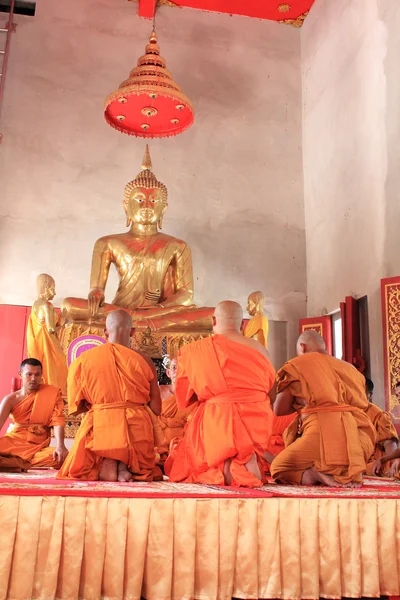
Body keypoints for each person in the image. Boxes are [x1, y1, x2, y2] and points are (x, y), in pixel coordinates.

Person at [167, 301, 275, 488]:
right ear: (243, 324)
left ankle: (229, 466)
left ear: (213, 320)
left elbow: (185, 395)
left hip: (217, 417)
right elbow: (271, 390)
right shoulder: (261, 351)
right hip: (255, 415)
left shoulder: (197, 350)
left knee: (192, 462)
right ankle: (242, 462)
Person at [57, 310, 163, 482]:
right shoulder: (145, 361)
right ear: (132, 331)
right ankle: (125, 464)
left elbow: (77, 406)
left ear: (105, 331)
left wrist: (103, 405)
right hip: (136, 432)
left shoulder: (84, 360)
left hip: (100, 428)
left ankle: (106, 461)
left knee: (100, 422)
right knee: (136, 425)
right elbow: (156, 409)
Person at [270, 330, 376, 487]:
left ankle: (313, 474)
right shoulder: (351, 369)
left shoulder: (298, 365)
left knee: (279, 467)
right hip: (359, 436)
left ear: (302, 347)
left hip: (320, 432)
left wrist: (303, 401)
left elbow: (279, 410)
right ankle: (347, 472)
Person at [0, 358, 68, 470]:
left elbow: (58, 421)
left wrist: (61, 445)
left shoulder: (52, 393)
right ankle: (16, 462)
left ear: (42, 374)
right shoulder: (10, 399)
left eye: (37, 375)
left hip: (38, 447)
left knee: (61, 458)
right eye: (29, 374)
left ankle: (13, 462)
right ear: (20, 374)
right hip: (13, 443)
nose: (33, 379)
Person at [27, 273, 68, 394]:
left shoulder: (35, 305)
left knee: (46, 369)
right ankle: (55, 394)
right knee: (60, 367)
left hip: (39, 345)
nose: (54, 293)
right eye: (53, 288)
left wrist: (59, 319)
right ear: (45, 288)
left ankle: (47, 392)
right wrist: (63, 322)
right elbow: (50, 330)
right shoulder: (47, 306)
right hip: (49, 346)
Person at [157, 355, 196, 454]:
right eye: (174, 367)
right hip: (159, 442)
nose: (178, 371)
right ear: (168, 373)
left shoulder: (194, 396)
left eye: (182, 368)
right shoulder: (158, 391)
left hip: (185, 444)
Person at [364, 378, 398, 475]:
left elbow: (389, 442)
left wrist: (394, 461)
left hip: (372, 464)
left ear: (370, 395)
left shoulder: (378, 415)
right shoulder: (347, 411)